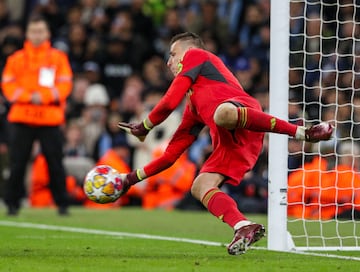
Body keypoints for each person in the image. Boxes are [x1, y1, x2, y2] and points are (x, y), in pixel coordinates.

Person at [118, 32, 333, 255]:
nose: (169, 61)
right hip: (231, 143)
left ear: (188, 50)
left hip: (243, 113)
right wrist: (130, 179)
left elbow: (170, 101)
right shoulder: (194, 106)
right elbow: (170, 154)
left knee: (223, 113)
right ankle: (243, 226)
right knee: (200, 186)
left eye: (173, 54)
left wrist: (145, 125)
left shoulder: (197, 55)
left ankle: (302, 132)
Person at [1, 15, 73, 216]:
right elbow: (7, 85)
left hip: (49, 118)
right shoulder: (16, 59)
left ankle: (62, 203)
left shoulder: (58, 58)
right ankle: (12, 203)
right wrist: (30, 97)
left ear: (48, 33)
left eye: (40, 31)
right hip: (22, 117)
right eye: (33, 31)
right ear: (27, 34)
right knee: (17, 163)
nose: (37, 35)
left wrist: (42, 96)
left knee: (55, 162)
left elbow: (65, 84)